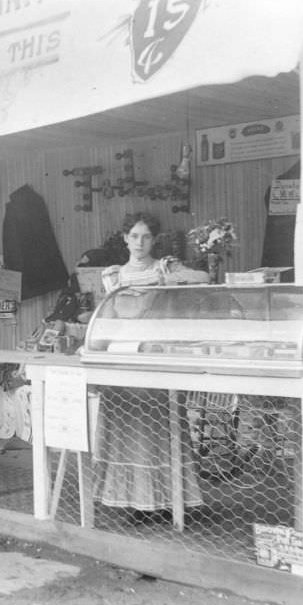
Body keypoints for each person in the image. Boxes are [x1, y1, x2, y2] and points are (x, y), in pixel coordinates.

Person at [92, 213, 208, 518]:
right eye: (134, 236)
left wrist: (168, 279)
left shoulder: (164, 266)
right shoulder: (113, 276)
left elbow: (204, 279)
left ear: (153, 239)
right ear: (125, 238)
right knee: (124, 433)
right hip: (122, 364)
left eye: (146, 237)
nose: (140, 242)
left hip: (155, 363)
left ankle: (169, 503)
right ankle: (132, 503)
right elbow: (106, 319)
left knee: (159, 432)